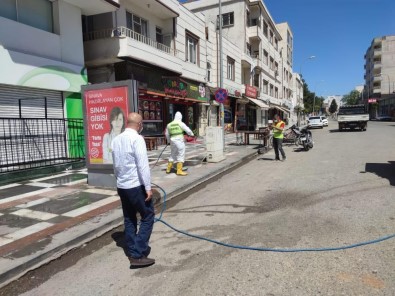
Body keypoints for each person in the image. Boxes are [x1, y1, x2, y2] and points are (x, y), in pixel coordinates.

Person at [111, 112, 155, 269]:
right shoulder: (137, 139)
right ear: (139, 124)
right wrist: (148, 188)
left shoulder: (116, 140)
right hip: (135, 186)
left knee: (129, 218)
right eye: (141, 124)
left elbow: (115, 165)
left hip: (122, 186)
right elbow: (143, 165)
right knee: (148, 216)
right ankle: (137, 254)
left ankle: (131, 250)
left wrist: (119, 181)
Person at [165, 111, 194, 176]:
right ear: (180, 117)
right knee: (181, 154)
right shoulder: (180, 123)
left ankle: (168, 169)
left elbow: (167, 134)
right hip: (179, 140)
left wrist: (168, 141)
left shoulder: (169, 124)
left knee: (172, 154)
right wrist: (192, 134)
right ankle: (179, 171)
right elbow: (187, 130)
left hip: (172, 141)